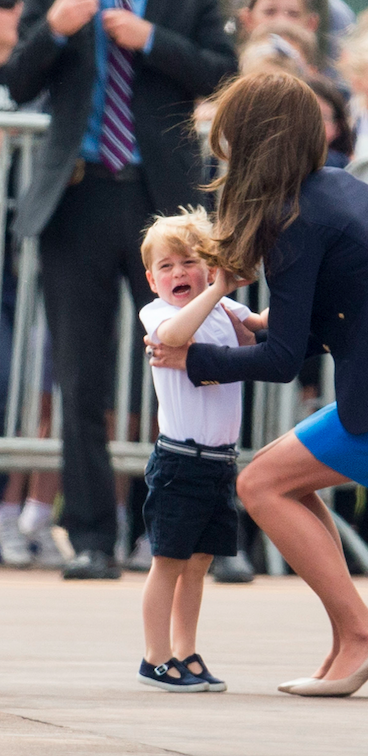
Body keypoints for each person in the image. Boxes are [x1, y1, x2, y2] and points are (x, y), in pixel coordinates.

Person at [147, 71, 368, 697]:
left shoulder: (294, 220)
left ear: (251, 140)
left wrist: (196, 362)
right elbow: (322, 321)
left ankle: (364, 635)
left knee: (260, 483)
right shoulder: (333, 189)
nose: (219, 145)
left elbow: (285, 359)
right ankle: (350, 639)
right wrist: (261, 325)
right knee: (282, 479)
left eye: (228, 134)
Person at [4, 0, 237, 580]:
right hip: (76, 199)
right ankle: (90, 538)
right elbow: (16, 79)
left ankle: (191, 533)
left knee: (195, 366)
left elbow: (222, 73)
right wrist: (55, 30)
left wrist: (152, 39)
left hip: (164, 208)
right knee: (81, 380)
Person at [137, 207, 266, 691]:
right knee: (167, 562)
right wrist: (217, 288)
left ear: (209, 265)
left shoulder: (226, 309)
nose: (177, 274)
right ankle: (155, 657)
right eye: (165, 267)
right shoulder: (161, 311)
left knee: (198, 564)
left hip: (218, 462)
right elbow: (172, 338)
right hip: (178, 461)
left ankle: (185, 651)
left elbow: (258, 327)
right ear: (152, 280)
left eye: (188, 262)